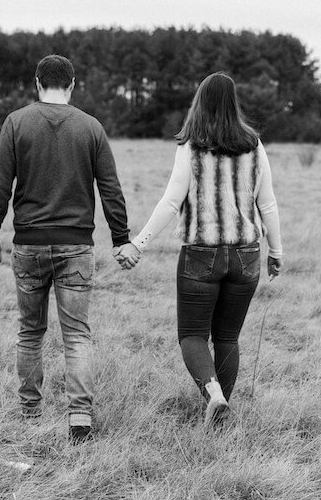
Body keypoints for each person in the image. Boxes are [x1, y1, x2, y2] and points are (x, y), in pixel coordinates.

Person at [0, 54, 137, 443]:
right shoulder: (91, 127)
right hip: (76, 247)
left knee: (30, 331)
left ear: (37, 82)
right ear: (72, 84)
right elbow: (111, 189)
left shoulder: (16, 123)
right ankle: (80, 415)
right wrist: (120, 238)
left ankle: (30, 409)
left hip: (29, 246)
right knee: (77, 335)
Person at [123, 72, 283, 426]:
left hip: (201, 254)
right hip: (246, 255)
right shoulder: (254, 144)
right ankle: (221, 410)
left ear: (200, 101)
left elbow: (170, 202)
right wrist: (276, 251)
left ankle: (213, 395)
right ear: (233, 103)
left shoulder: (191, 146)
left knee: (193, 335)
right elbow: (267, 204)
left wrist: (139, 242)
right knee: (228, 337)